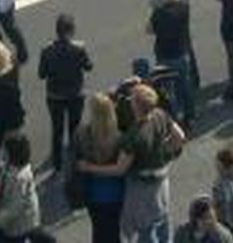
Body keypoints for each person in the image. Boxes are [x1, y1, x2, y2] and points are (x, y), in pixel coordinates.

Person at [78, 82, 184, 243]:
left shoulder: (133, 136)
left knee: (146, 228)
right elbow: (179, 137)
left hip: (143, 186)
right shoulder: (160, 115)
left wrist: (89, 167)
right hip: (162, 179)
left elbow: (119, 169)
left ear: (136, 106)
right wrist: (165, 155)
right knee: (163, 219)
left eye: (132, 99)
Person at [37, 13, 93, 168]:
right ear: (72, 30)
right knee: (75, 128)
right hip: (75, 94)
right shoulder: (79, 48)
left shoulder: (46, 50)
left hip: (55, 96)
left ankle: (57, 163)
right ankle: (75, 161)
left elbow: (41, 74)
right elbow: (89, 66)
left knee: (57, 130)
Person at [73, 92, 126, 243]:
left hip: (93, 194)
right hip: (117, 193)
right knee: (115, 233)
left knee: (98, 231)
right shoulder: (118, 136)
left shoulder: (82, 134)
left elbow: (75, 163)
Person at [150, 0, 195, 126]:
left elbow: (149, 29)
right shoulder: (185, 8)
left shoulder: (159, 13)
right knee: (185, 85)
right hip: (181, 52)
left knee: (167, 90)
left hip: (164, 54)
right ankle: (190, 116)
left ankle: (174, 119)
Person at [0, 133, 40, 243]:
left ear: (12, 154)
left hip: (19, 227)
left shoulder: (20, 179)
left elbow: (12, 212)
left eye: (5, 151)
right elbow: (3, 171)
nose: (2, 153)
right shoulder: (13, 167)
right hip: (11, 220)